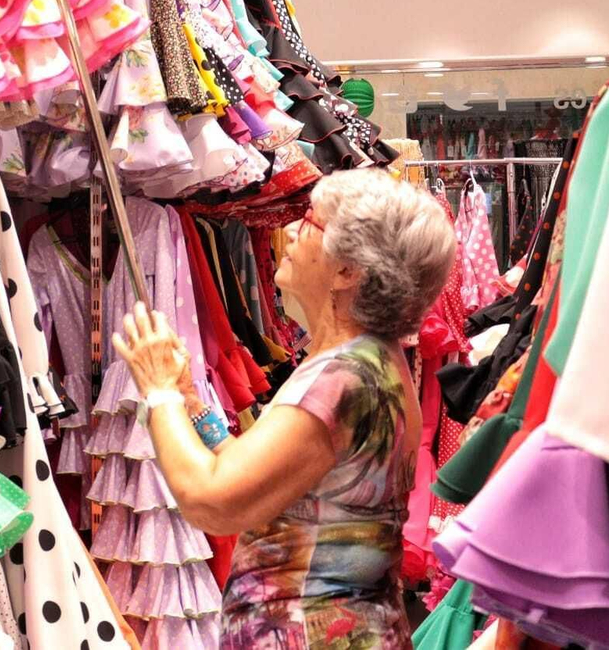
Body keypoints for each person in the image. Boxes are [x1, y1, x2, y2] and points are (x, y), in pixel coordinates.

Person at [112, 169, 456, 649]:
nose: (290, 230)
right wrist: (190, 401)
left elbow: (213, 502)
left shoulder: (344, 379)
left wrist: (160, 392)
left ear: (348, 270)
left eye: (310, 221)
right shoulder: (368, 362)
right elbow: (261, 482)